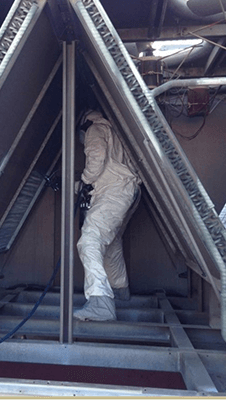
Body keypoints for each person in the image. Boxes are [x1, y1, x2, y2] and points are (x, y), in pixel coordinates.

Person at [74, 109, 141, 322]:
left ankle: (100, 301)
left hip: (114, 194)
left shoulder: (95, 129)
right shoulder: (116, 132)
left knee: (90, 240)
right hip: (129, 192)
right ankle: (120, 291)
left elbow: (96, 160)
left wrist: (83, 180)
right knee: (111, 244)